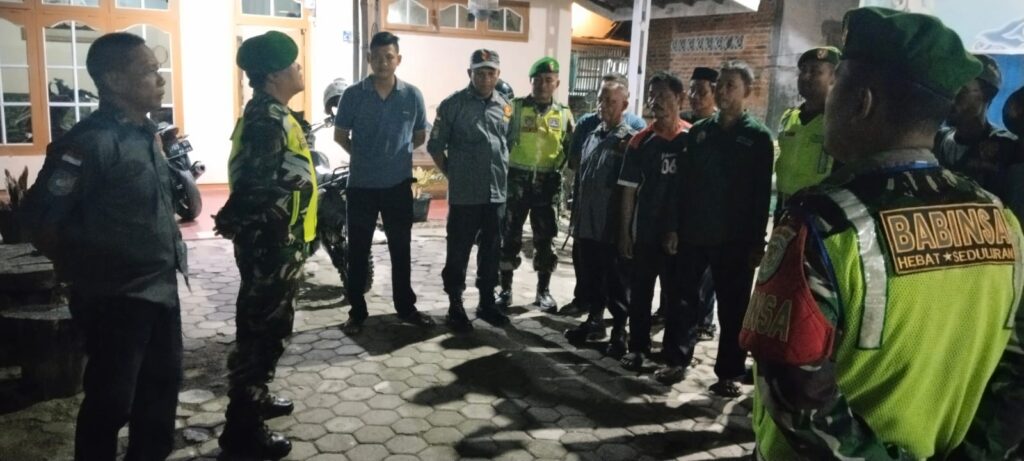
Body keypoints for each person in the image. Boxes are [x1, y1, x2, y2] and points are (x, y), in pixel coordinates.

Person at [741, 7, 1024, 459]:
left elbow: (796, 394)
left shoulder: (821, 225)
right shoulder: (1001, 220)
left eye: (837, 85)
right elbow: (1014, 375)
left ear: (862, 102)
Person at [21, 32, 186, 461]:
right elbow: (41, 220)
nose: (160, 79)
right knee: (111, 403)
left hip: (161, 289)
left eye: (158, 70)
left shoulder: (147, 133)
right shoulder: (89, 143)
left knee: (160, 394)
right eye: (148, 71)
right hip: (116, 299)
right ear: (113, 80)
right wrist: (85, 270)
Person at [212, 31, 316, 460]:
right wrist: (234, 222)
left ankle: (258, 396)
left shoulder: (275, 113)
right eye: (293, 64)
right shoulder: (266, 120)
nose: (299, 69)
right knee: (261, 333)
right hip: (270, 246)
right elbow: (256, 187)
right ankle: (242, 427)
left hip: (279, 242)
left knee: (269, 327)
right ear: (274, 75)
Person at [661, 60, 774, 390]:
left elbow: (761, 195)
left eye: (730, 86)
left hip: (735, 240)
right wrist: (673, 227)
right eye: (720, 85)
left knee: (733, 308)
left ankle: (729, 373)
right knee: (682, 300)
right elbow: (682, 185)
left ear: (747, 91)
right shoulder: (700, 133)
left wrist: (757, 242)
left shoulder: (757, 138)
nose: (722, 91)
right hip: (694, 234)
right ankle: (676, 360)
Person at [333, 31, 434, 335]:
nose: (383, 62)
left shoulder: (412, 95)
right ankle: (357, 312)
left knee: (401, 250)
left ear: (398, 59)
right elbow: (340, 135)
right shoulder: (353, 95)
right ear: (369, 59)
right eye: (377, 57)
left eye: (389, 57)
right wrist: (363, 156)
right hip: (361, 186)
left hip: (397, 186)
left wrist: (395, 157)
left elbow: (419, 135)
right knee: (357, 250)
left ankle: (406, 307)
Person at [427, 49, 513, 331]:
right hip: (465, 196)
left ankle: (487, 302)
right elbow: (435, 147)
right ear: (470, 74)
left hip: (495, 194)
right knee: (459, 250)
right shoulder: (452, 105)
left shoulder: (505, 106)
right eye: (479, 73)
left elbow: (507, 144)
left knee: (491, 251)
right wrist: (453, 174)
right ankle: (455, 303)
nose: (485, 78)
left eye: (490, 73)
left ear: (498, 75)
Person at [616, 71, 690, 372]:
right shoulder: (640, 142)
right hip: (646, 231)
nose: (655, 102)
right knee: (641, 293)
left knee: (678, 298)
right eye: (652, 96)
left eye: (663, 96)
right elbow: (628, 192)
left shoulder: (692, 139)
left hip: (680, 235)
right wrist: (625, 233)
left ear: (679, 98)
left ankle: (675, 356)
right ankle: (637, 348)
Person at [562, 78, 636, 357]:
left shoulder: (628, 141)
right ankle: (594, 320)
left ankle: (619, 332)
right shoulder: (592, 135)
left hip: (610, 224)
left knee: (616, 280)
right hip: (587, 222)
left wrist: (624, 229)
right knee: (591, 275)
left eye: (611, 102)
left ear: (624, 105)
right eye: (602, 100)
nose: (604, 106)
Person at [496, 57, 575, 314]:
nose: (542, 85)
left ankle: (543, 291)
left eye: (548, 80)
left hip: (547, 185)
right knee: (509, 236)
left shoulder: (564, 114)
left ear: (557, 83)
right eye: (538, 80)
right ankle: (505, 289)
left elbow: (572, 150)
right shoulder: (515, 108)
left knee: (545, 238)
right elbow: (498, 137)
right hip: (516, 182)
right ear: (530, 81)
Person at [934, 54, 1021, 207]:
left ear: (988, 95)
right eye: (949, 87)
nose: (951, 97)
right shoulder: (934, 140)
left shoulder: (1008, 148)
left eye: (962, 90)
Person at [774, 46, 839, 218]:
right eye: (803, 70)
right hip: (784, 210)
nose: (805, 76)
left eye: (815, 71)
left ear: (834, 77)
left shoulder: (840, 123)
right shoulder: (789, 117)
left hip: (819, 215)